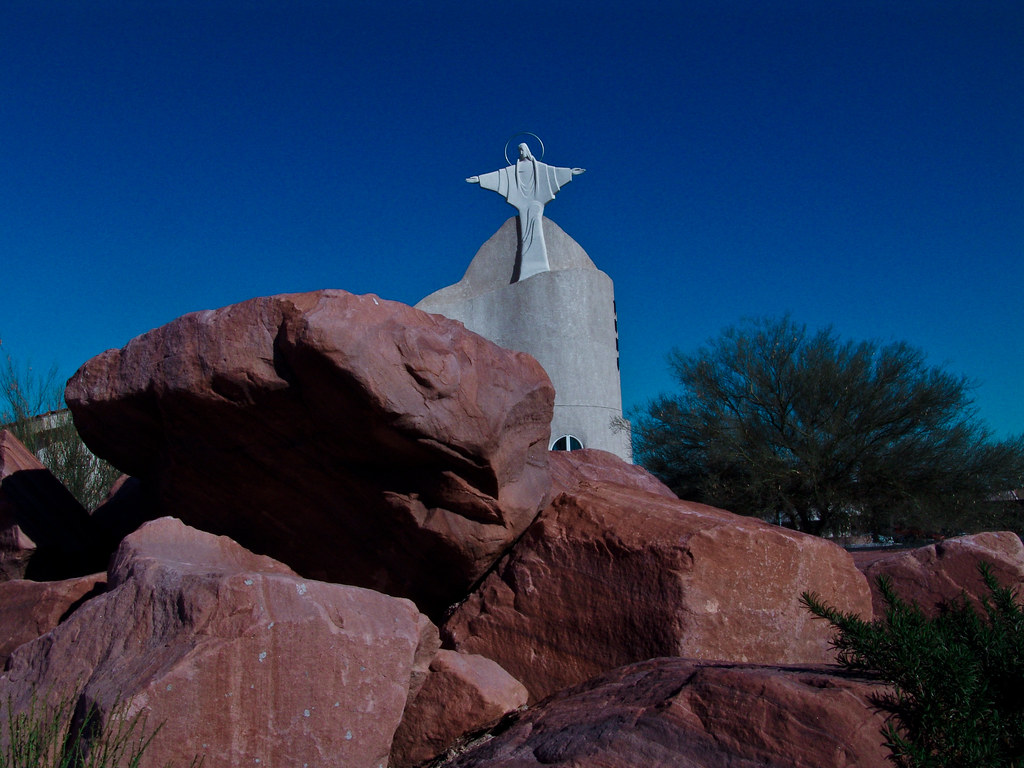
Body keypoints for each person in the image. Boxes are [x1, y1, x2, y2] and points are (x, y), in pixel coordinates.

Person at [468, 144, 584, 281]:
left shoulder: (538, 167)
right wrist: (480, 179)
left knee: (536, 231)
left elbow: (553, 172)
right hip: (523, 204)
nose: (520, 152)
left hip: (536, 203)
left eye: (522, 149)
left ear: (528, 151)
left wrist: (570, 172)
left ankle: (540, 266)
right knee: (525, 236)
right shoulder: (514, 170)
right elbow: (500, 176)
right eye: (519, 150)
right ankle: (526, 269)